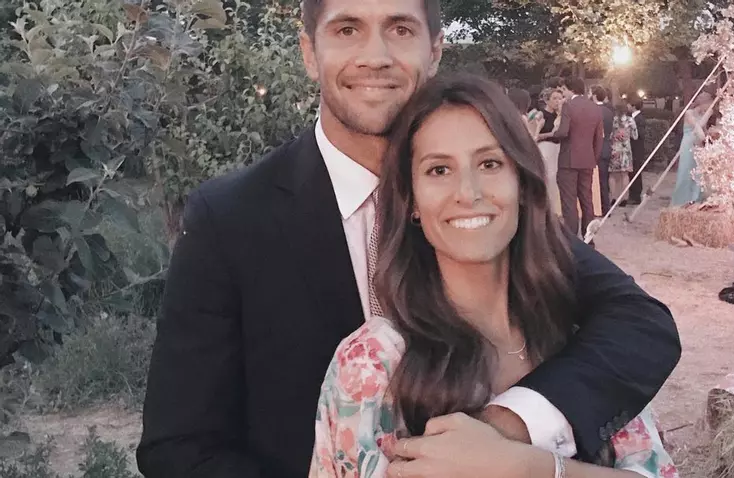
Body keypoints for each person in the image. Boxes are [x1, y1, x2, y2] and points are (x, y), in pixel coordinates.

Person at [136, 0, 681, 476]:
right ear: (309, 52)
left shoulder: (484, 207)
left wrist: (507, 429)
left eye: (400, 28)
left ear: (435, 50)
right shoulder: (230, 219)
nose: (375, 56)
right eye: (347, 29)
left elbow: (640, 325)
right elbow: (180, 448)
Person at [310, 74, 679, 478]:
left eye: (489, 164)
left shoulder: (587, 336)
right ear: (412, 200)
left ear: (521, 182)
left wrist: (532, 468)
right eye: (438, 170)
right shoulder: (373, 365)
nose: (468, 193)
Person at [552, 77, 605, 237]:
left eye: (564, 90)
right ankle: (588, 237)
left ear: (571, 89)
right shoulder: (595, 108)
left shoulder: (568, 106)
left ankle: (571, 238)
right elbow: (599, 137)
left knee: (569, 202)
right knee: (587, 200)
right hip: (587, 160)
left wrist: (552, 134)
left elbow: (563, 132)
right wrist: (594, 157)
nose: (563, 94)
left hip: (568, 160)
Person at [671, 93, 713, 207]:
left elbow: (703, 130)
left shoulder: (702, 114)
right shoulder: (689, 113)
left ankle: (695, 199)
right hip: (688, 145)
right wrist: (707, 115)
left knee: (698, 173)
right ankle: (681, 200)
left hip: (699, 146)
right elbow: (697, 127)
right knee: (686, 171)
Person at [537, 87, 566, 215]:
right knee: (548, 177)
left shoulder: (561, 116)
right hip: (545, 148)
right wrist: (550, 134)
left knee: (557, 179)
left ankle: (557, 209)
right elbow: (535, 135)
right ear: (547, 100)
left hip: (558, 149)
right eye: (554, 98)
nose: (557, 101)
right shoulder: (541, 115)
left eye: (560, 98)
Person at [609, 104, 638, 207]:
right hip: (626, 150)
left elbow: (610, 136)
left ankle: (613, 197)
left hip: (615, 150)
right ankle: (625, 198)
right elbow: (635, 136)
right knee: (625, 175)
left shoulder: (613, 121)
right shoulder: (630, 120)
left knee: (613, 175)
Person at [592, 86, 614, 212]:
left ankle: (600, 207)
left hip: (596, 148)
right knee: (604, 179)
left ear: (594, 95)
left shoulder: (594, 110)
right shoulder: (609, 111)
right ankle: (606, 207)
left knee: (597, 180)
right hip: (607, 147)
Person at [627, 99, 647, 206]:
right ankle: (632, 194)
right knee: (632, 172)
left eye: (628, 104)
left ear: (633, 106)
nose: (627, 106)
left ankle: (636, 196)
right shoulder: (632, 117)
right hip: (632, 150)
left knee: (636, 173)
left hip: (636, 150)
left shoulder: (639, 119)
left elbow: (640, 135)